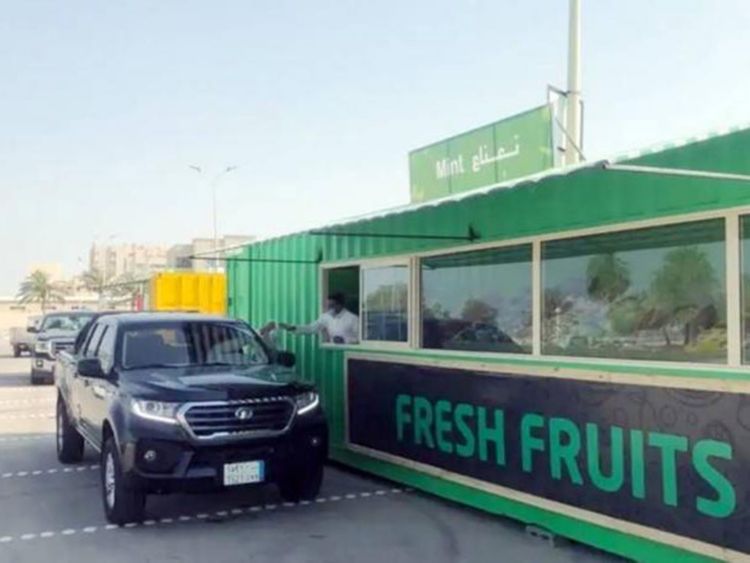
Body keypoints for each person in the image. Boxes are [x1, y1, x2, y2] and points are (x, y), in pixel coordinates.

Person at [279, 292, 359, 344]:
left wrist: (345, 341)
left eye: (331, 306)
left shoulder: (353, 319)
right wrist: (290, 328)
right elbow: (310, 329)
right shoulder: (326, 317)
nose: (329, 308)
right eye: (328, 305)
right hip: (332, 355)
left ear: (340, 305)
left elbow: (360, 339)